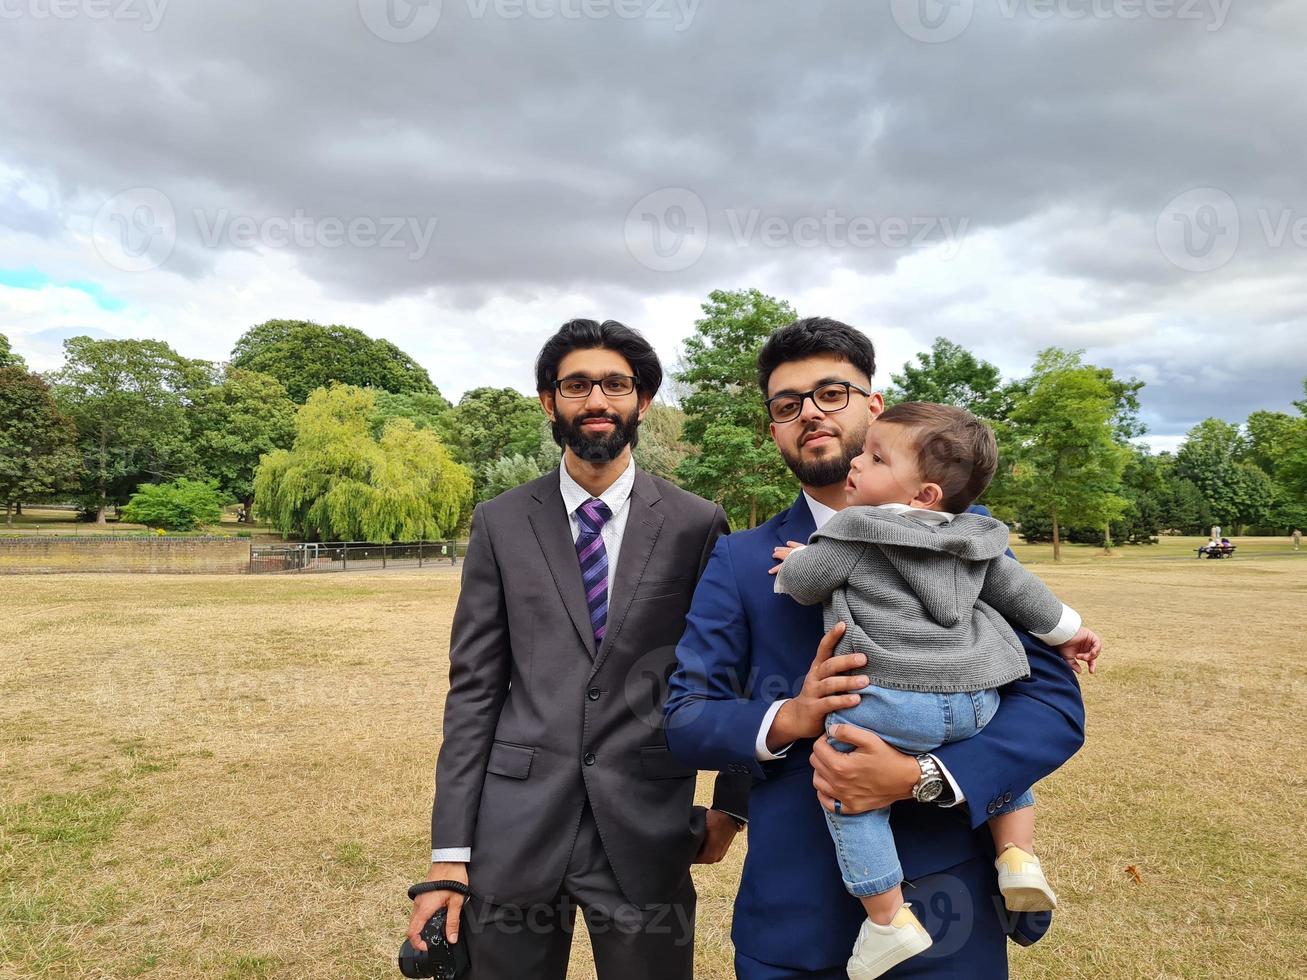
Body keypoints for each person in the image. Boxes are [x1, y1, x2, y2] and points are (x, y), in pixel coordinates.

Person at [664, 317, 1085, 979]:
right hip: (793, 922)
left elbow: (1052, 707)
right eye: (785, 405)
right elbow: (685, 715)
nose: (809, 414)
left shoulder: (965, 536)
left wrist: (922, 779)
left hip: (947, 910)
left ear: (873, 406)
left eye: (831, 393)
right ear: (771, 427)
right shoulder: (742, 561)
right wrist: (790, 718)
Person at [408, 319, 749, 980]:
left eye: (615, 384)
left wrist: (732, 804)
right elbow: (474, 688)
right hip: (515, 829)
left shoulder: (695, 523)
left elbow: (730, 671)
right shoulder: (500, 522)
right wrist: (450, 850)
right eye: (576, 385)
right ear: (549, 401)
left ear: (642, 401)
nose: (597, 399)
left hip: (646, 826)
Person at [770, 402, 1102, 978]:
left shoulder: (853, 527)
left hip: (897, 700)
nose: (857, 462)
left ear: (922, 494)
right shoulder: (977, 537)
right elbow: (1026, 596)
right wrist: (1071, 634)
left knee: (846, 788)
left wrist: (801, 560)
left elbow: (804, 586)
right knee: (1004, 767)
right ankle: (1017, 856)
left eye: (874, 457)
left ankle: (886, 918)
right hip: (977, 700)